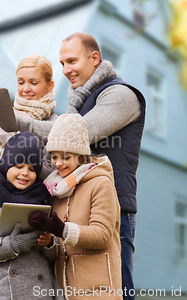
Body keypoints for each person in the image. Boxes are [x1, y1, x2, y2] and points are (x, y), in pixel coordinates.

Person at [16, 33, 146, 300]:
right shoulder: (79, 103)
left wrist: (18, 123)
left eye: (72, 61)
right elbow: (59, 159)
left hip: (112, 208)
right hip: (72, 209)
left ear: (94, 58)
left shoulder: (121, 95)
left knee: (116, 291)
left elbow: (77, 133)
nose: (66, 70)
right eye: (62, 63)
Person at [29, 114, 122, 300]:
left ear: (81, 156)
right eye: (54, 156)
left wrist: (62, 229)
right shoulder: (56, 190)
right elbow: (60, 246)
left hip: (99, 290)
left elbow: (102, 235)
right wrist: (49, 242)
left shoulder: (100, 184)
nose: (59, 163)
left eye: (66, 157)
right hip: (66, 291)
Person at [0, 132, 64, 300]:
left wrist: (49, 244)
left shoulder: (44, 203)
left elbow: (54, 257)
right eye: (19, 166)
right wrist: (11, 244)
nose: (25, 173)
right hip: (0, 293)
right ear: (6, 165)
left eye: (32, 169)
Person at [0, 54, 58, 185]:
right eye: (21, 82)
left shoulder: (56, 125)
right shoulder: (3, 120)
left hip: (32, 203)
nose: (25, 89)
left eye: (33, 83)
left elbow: (50, 177)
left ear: (50, 85)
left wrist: (11, 145)